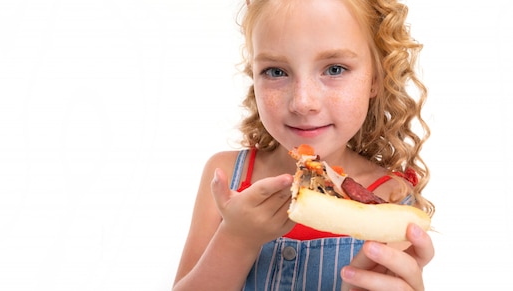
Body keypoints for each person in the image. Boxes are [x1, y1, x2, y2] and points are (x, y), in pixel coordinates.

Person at [172, 0, 435, 290]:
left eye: (335, 69)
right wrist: (237, 238)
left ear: (376, 77)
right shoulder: (226, 177)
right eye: (275, 72)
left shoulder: (392, 196)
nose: (302, 103)